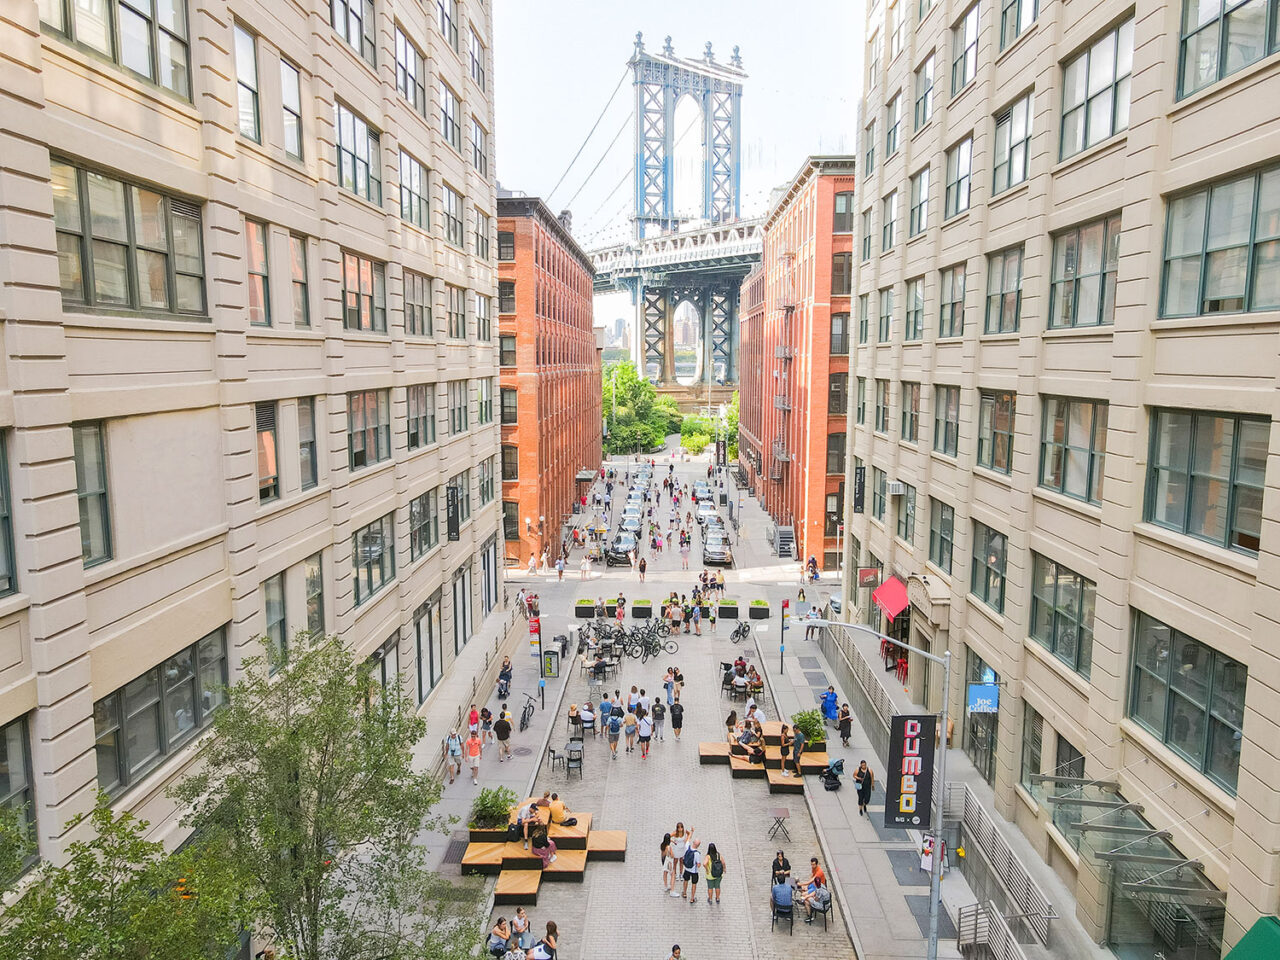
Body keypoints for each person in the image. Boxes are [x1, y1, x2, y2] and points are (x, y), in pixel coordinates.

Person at [680, 838, 702, 903]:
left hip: (687, 869)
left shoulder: (687, 847)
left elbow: (688, 839)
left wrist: (691, 832)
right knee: (694, 884)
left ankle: (684, 893)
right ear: (698, 845)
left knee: (686, 880)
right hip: (694, 871)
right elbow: (698, 864)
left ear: (693, 842)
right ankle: (692, 898)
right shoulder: (697, 854)